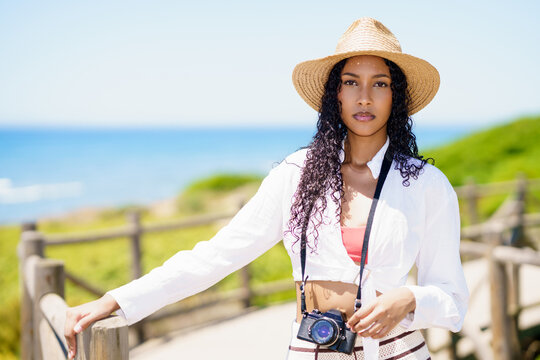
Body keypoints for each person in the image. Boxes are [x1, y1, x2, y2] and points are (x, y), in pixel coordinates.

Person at [65, 17, 469, 359]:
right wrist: (116, 300)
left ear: (395, 96)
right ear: (335, 94)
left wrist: (409, 298)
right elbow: (216, 256)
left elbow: (453, 301)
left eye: (379, 83)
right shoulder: (295, 175)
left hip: (396, 351)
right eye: (351, 82)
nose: (364, 97)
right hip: (311, 349)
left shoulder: (426, 186)